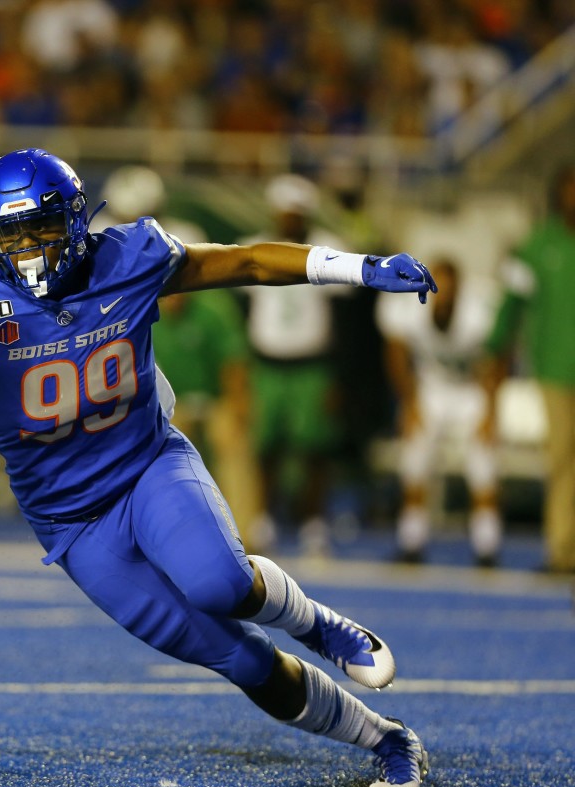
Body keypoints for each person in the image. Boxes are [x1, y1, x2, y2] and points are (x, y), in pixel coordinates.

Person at [0, 149, 435, 787]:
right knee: (241, 659)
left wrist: (357, 268)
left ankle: (318, 624)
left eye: (44, 227)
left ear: (78, 220)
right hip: (74, 525)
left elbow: (245, 260)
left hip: (147, 468)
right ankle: (385, 737)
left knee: (219, 582)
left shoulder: (128, 257)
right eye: (12, 234)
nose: (28, 248)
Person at [239, 174, 352, 555]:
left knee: (314, 450)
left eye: (296, 213)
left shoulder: (329, 248)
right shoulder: (254, 247)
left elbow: (342, 316)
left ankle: (313, 521)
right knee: (264, 447)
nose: (290, 219)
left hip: (311, 364)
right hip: (266, 363)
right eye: (285, 212)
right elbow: (244, 310)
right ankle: (263, 518)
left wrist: (338, 373)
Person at [377, 256, 502, 566]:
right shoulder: (409, 307)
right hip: (429, 387)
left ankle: (486, 546)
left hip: (471, 388)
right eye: (440, 291)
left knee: (483, 467)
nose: (445, 298)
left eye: (451, 292)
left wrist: (491, 410)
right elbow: (396, 352)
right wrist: (408, 403)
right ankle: (412, 541)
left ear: (461, 292)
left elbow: (499, 357)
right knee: (415, 463)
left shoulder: (478, 313)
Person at [484, 164, 575, 575]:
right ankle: (563, 550)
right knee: (562, 462)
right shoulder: (536, 247)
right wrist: (494, 350)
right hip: (556, 369)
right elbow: (510, 306)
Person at [152, 289, 264, 553]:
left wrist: (239, 409)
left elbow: (233, 362)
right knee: (158, 453)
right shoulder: (143, 308)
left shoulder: (214, 309)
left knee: (232, 443)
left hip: (216, 398)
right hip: (171, 404)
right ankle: (170, 529)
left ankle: (244, 534)